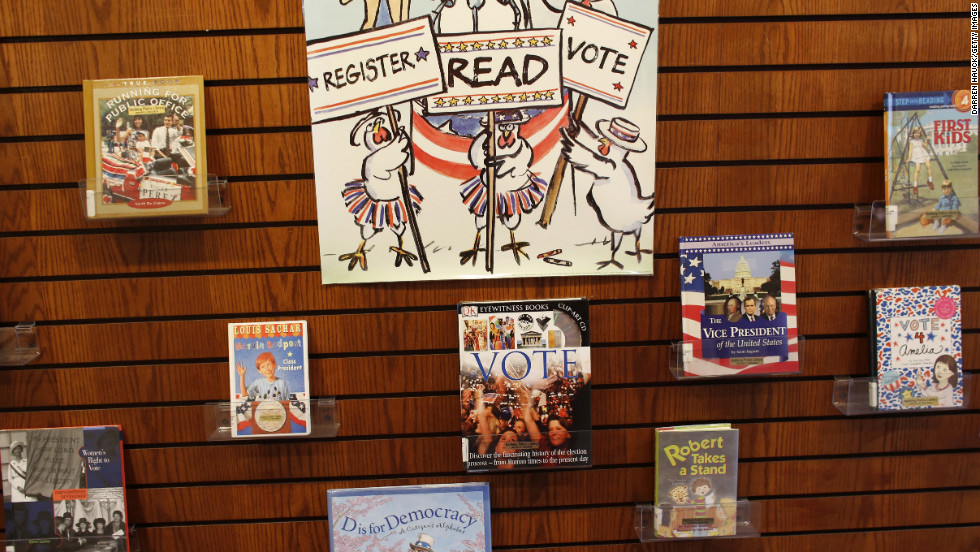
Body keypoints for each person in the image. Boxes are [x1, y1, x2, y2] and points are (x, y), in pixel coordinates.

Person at [906, 126, 934, 195]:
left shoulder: (921, 140)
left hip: (923, 154)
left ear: (920, 134)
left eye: (918, 133)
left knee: (929, 166)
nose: (917, 134)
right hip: (916, 155)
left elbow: (926, 145)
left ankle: (930, 181)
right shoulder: (911, 141)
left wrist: (928, 139)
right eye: (915, 133)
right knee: (917, 169)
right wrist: (909, 158)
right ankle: (915, 186)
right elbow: (910, 150)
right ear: (913, 134)